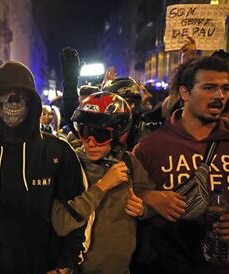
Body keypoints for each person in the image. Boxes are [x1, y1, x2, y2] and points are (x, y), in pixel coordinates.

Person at [0, 61, 87, 274]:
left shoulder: (59, 152)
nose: (12, 103)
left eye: (20, 96)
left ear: (32, 103)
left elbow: (78, 214)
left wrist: (65, 265)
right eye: (4, 95)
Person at [133, 56, 229, 274]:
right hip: (165, 265)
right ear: (184, 93)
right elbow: (123, 195)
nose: (219, 96)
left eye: (224, 89)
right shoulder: (150, 146)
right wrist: (148, 196)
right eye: (209, 88)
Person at [51, 91, 154, 274]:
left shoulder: (129, 163)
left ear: (120, 135)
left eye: (99, 134)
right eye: (84, 131)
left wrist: (143, 209)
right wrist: (102, 185)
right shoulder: (71, 163)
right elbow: (61, 223)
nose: (90, 142)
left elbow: (150, 199)